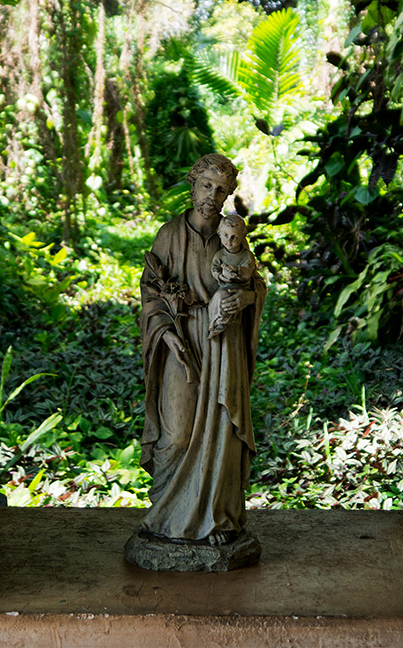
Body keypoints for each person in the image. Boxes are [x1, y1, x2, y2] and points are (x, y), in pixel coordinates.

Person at [137, 154, 266, 547]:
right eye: (207, 185)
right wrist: (167, 335)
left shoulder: (233, 237)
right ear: (193, 184)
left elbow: (254, 285)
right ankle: (166, 518)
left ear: (228, 196)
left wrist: (244, 300)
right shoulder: (170, 235)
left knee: (223, 431)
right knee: (176, 433)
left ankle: (216, 520)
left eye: (221, 189)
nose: (213, 195)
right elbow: (150, 294)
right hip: (182, 340)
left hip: (224, 344)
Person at [207, 214, 256, 338]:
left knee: (228, 301)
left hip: (239, 288)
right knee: (218, 298)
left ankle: (221, 322)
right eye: (225, 235)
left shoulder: (247, 255)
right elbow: (215, 269)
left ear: (243, 236)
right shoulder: (220, 255)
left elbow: (247, 272)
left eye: (234, 237)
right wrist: (221, 276)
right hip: (224, 285)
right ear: (219, 233)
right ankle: (215, 322)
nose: (229, 241)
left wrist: (236, 270)